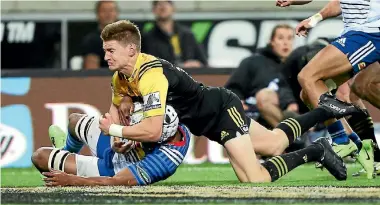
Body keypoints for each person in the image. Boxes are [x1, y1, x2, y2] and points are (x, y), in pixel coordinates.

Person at [96, 20, 364, 183]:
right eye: (105, 50)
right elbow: (116, 113)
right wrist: (118, 138)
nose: (106, 56)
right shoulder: (121, 77)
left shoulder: (151, 76)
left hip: (221, 111)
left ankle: (316, 150)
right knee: (274, 143)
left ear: (131, 49)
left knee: (255, 179)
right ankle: (324, 110)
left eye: (111, 50)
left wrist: (116, 131)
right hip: (211, 118)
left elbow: (153, 131)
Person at [277, 0, 379, 178]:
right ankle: (358, 145)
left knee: (308, 77)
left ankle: (341, 140)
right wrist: (315, 19)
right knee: (308, 92)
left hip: (369, 33)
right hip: (354, 33)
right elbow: (341, 3)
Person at [31, 102, 191, 186]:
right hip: (118, 147)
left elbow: (116, 182)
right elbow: (118, 89)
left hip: (112, 170)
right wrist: (117, 137)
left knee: (40, 157)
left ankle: (67, 160)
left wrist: (72, 181)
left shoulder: (164, 161)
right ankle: (64, 150)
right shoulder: (169, 120)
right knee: (74, 121)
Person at [225, 24, 298, 129]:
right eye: (280, 38)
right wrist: (238, 103)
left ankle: (291, 137)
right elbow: (234, 88)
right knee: (264, 96)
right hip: (257, 116)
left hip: (289, 113)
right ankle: (291, 136)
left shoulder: (296, 66)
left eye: (290, 38)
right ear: (271, 41)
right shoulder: (253, 62)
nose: (285, 43)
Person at [142, 0, 208, 69]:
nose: (162, 7)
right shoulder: (148, 38)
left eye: (166, 3)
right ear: (153, 10)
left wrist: (196, 64)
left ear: (173, 8)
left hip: (188, 76)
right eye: (159, 4)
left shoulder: (187, 35)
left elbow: (203, 62)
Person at [81, 0, 119, 69]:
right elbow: (92, 72)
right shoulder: (92, 40)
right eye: (104, 11)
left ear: (117, 13)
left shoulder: (128, 38)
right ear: (97, 14)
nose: (108, 14)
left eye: (111, 10)